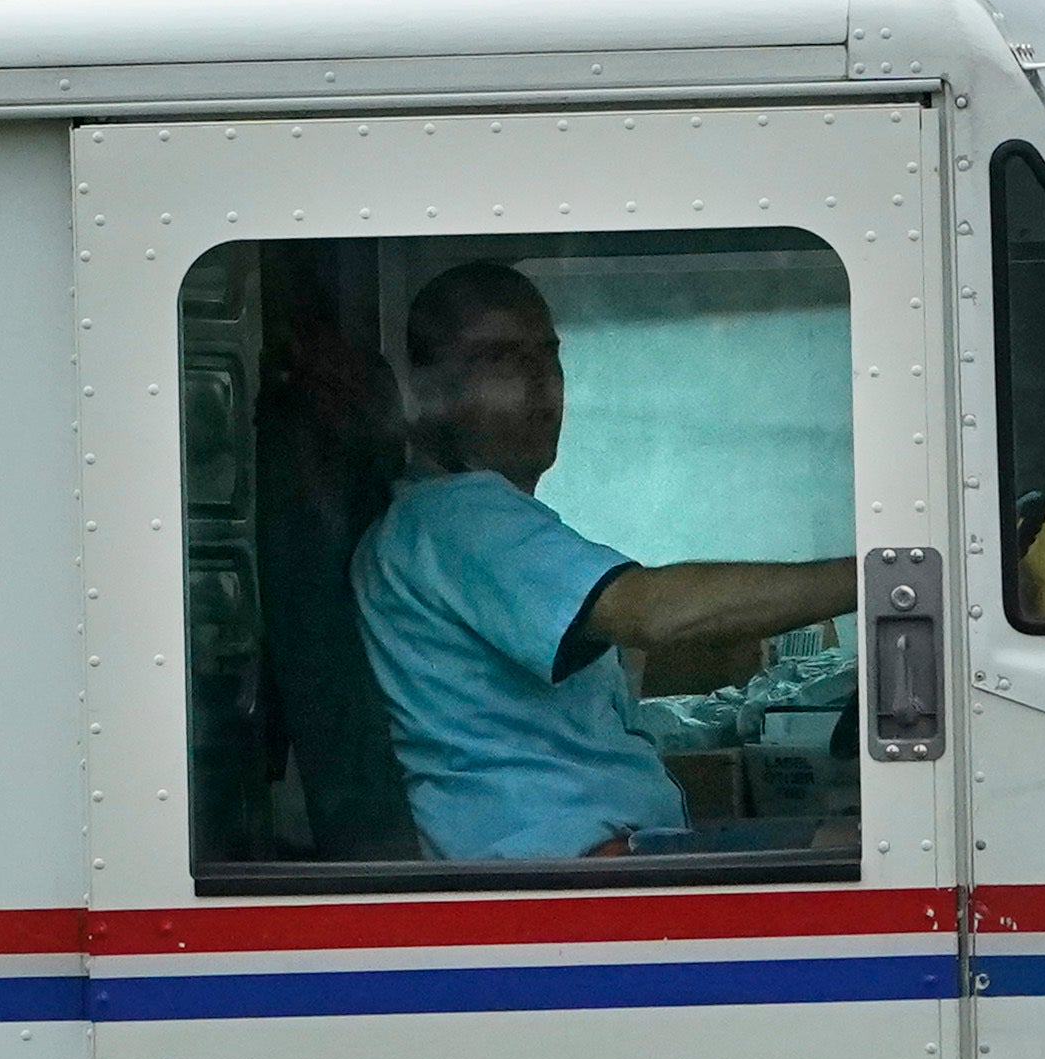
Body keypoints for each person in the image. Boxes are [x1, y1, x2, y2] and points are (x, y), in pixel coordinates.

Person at [352, 261, 856, 861]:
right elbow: (653, 614)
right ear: (428, 392)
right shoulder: (459, 518)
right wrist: (887, 577)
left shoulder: (455, 522)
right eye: (499, 360)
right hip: (563, 874)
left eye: (548, 356)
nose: (540, 383)